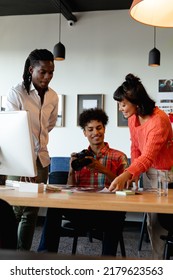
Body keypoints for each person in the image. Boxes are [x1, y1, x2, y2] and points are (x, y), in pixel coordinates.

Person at [38, 108, 128, 256]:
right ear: (85, 133)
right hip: (81, 210)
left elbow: (125, 187)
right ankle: (45, 256)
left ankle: (107, 261)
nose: (95, 133)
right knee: (54, 207)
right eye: (90, 129)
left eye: (99, 128)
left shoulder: (119, 157)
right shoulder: (81, 158)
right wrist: (72, 169)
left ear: (104, 129)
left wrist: (103, 169)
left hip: (107, 213)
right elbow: (70, 188)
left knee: (117, 215)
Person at [109, 73, 173, 259]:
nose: (120, 108)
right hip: (147, 171)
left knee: (159, 222)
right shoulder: (133, 118)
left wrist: (126, 174)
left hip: (165, 174)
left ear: (135, 102)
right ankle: (158, 261)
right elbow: (135, 147)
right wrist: (135, 173)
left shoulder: (158, 120)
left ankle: (161, 264)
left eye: (122, 104)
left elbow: (148, 156)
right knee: (152, 224)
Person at [6, 49, 58, 251]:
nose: (47, 77)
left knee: (31, 213)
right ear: (31, 69)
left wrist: (35, 158)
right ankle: (8, 258)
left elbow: (49, 125)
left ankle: (24, 257)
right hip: (19, 161)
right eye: (43, 71)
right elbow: (12, 130)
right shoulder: (17, 93)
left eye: (51, 72)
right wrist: (25, 164)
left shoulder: (53, 96)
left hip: (41, 161)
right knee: (16, 212)